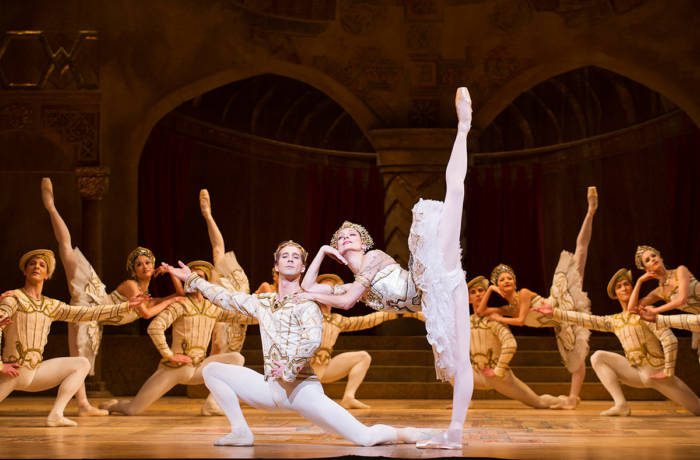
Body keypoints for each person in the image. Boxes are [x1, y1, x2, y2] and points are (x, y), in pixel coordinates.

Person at [299, 87, 474, 449]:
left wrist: (336, 285)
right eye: (339, 237)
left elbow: (347, 300)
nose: (345, 239)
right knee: (459, 363)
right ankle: (454, 434)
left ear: (364, 242)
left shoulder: (376, 259)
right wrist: (319, 252)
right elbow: (306, 289)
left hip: (431, 273)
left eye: (351, 235)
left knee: (453, 192)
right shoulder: (350, 280)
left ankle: (463, 128)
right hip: (439, 295)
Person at [164, 241, 423, 447]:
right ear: (276, 266)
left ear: (302, 268)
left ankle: (410, 434)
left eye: (295, 257)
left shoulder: (307, 303)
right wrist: (193, 279)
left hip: (302, 391)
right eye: (284, 256)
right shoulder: (263, 302)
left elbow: (311, 341)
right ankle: (241, 432)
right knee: (213, 370)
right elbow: (226, 298)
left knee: (365, 438)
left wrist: (287, 370)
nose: (289, 259)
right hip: (271, 389)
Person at [41, 177, 180, 415]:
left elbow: (179, 294)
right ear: (133, 270)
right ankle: (51, 205)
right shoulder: (131, 286)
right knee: (66, 249)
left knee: (80, 359)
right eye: (139, 264)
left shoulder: (146, 294)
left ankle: (83, 404)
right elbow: (147, 312)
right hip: (92, 299)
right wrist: (172, 300)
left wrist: (171, 275)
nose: (144, 266)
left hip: (93, 317)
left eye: (148, 262)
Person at [477, 186, 598, 409]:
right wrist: (490, 292)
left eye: (509, 278)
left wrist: (501, 319)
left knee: (580, 254)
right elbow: (481, 312)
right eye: (502, 280)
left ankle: (590, 211)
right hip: (559, 323)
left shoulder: (522, 295)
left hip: (560, 301)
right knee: (575, 358)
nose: (507, 281)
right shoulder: (507, 308)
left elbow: (521, 320)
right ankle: (573, 398)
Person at [0, 250, 142, 426]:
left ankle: (56, 415)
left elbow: (87, 312)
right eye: (32, 264)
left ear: (47, 274)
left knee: (81, 363)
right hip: (11, 373)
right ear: (25, 271)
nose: (37, 266)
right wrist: (1, 365)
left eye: (42, 265)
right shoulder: (13, 299)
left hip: (34, 373)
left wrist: (124, 307)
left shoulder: (50, 305)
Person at [534, 268, 700, 416]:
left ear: (633, 287)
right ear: (615, 294)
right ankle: (621, 404)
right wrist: (555, 312)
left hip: (657, 373)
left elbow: (670, 339)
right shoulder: (615, 321)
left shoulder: (644, 313)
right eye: (619, 286)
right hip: (637, 374)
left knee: (698, 409)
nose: (624, 288)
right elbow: (586, 319)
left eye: (627, 284)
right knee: (598, 357)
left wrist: (668, 370)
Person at [100, 261, 251, 415]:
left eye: (198, 277)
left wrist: (270, 314)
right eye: (189, 277)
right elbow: (154, 327)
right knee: (132, 410)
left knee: (236, 358)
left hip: (199, 368)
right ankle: (113, 405)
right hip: (175, 369)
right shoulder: (180, 305)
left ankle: (212, 404)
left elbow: (242, 318)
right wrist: (169, 355)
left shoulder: (212, 308)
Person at [198, 189, 257, 415]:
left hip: (238, 322)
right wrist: (208, 215)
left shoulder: (237, 278)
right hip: (224, 319)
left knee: (230, 360)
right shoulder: (218, 282)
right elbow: (217, 245)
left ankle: (215, 400)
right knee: (220, 356)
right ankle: (212, 401)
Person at [312, 273, 399, 409]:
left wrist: (402, 312)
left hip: (324, 368)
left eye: (332, 290)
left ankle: (348, 398)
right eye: (324, 289)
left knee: (363, 357)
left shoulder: (337, 320)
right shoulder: (306, 313)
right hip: (304, 371)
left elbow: (366, 321)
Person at [628, 245, 700, 363]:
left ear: (661, 258)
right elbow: (632, 309)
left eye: (654, 255)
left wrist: (655, 311)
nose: (652, 259)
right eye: (647, 260)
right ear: (647, 270)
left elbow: (681, 299)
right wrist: (639, 282)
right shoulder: (659, 292)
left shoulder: (681, 270)